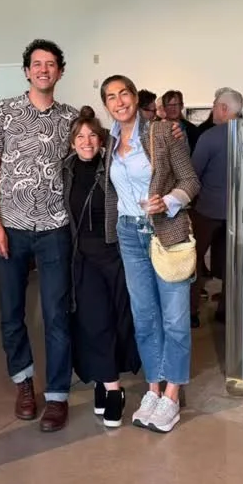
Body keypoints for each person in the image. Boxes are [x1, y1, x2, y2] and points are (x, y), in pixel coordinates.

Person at [0, 40, 76, 433]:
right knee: (11, 313)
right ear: (26, 71)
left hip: (55, 227)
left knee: (57, 314)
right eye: (37, 64)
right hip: (11, 227)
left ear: (60, 72)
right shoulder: (3, 111)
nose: (43, 69)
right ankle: (23, 382)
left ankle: (56, 395)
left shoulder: (71, 118)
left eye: (50, 64)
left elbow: (95, 150)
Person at [102, 75, 199, 434]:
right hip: (129, 234)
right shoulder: (109, 141)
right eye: (111, 97)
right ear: (106, 105)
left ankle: (172, 394)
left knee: (174, 319)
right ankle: (153, 389)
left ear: (134, 97)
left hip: (166, 232)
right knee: (144, 319)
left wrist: (168, 201)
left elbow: (191, 181)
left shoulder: (162, 132)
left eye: (124, 93)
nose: (119, 102)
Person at [63, 107, 140, 428]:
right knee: (94, 322)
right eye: (80, 137)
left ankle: (106, 383)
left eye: (92, 135)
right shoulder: (65, 170)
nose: (87, 141)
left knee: (115, 322)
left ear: (101, 139)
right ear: (72, 142)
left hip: (114, 254)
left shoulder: (112, 167)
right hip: (82, 258)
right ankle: (111, 387)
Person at [190, 89, 243, 327]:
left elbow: (193, 174)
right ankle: (227, 310)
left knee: (194, 261)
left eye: (214, 105)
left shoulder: (210, 137)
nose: (212, 110)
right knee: (232, 263)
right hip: (238, 212)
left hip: (207, 210)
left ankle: (191, 311)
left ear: (223, 108)